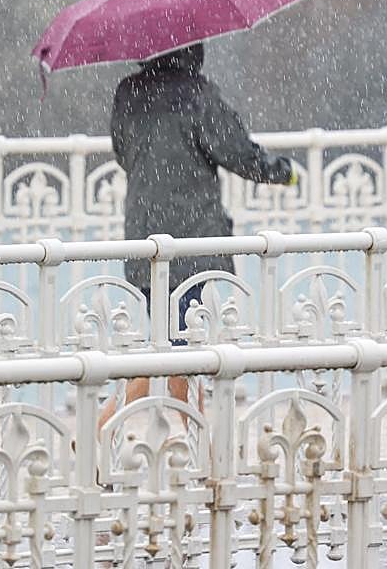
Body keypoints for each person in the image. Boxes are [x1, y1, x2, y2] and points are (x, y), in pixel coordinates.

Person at [104, 43, 296, 419]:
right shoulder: (197, 95)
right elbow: (235, 150)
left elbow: (123, 152)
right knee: (177, 347)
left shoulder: (129, 92)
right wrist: (281, 171)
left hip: (144, 233)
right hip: (189, 239)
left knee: (175, 341)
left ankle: (200, 444)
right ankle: (103, 424)